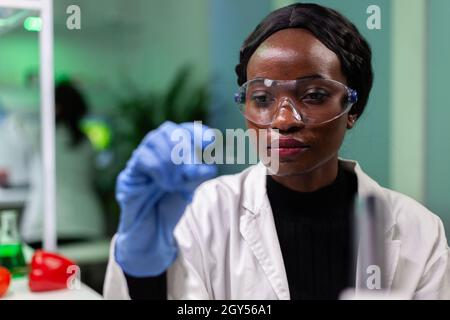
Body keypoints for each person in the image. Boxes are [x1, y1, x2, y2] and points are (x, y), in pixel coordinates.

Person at [104, 3, 450, 299]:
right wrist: (141, 266)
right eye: (262, 99)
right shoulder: (201, 214)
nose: (284, 120)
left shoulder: (417, 230)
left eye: (313, 95)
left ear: (352, 109)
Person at [21, 80, 105, 247]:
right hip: (86, 225)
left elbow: (15, 122)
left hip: (43, 225)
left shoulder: (39, 135)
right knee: (78, 273)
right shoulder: (87, 142)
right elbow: (96, 177)